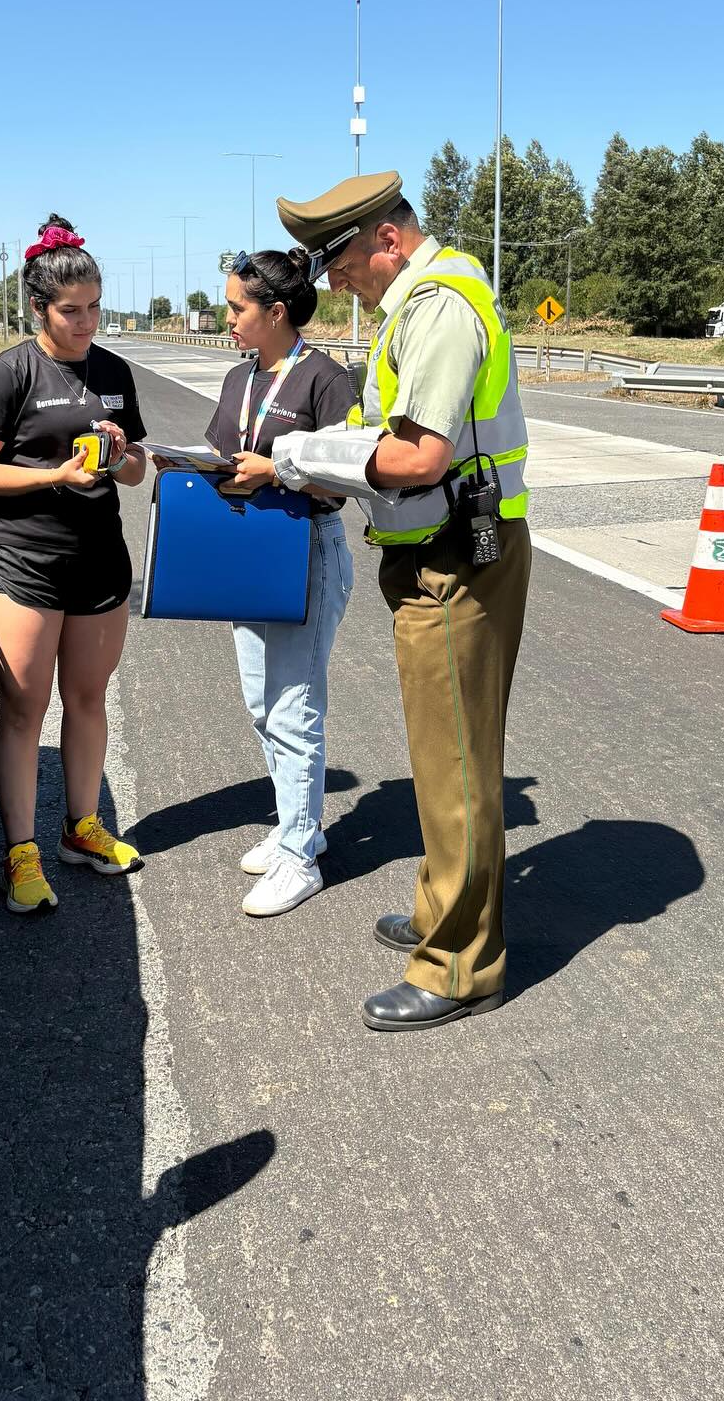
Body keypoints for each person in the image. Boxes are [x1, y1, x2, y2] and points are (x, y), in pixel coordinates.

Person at [260, 172, 532, 1032]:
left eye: (337, 259)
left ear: (385, 238)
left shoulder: (439, 307)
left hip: (457, 556)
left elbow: (416, 457)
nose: (330, 281)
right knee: (441, 754)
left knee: (456, 765)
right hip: (432, 549)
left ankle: (458, 963)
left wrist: (302, 458)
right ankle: (439, 906)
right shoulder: (413, 306)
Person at [0, 216, 149, 915]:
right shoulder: (9, 371)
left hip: (100, 562)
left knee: (89, 701)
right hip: (24, 563)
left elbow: (135, 473)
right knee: (24, 709)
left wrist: (123, 452)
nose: (87, 322)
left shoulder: (114, 371)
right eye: (72, 311)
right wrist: (53, 477)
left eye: (96, 306)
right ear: (40, 308)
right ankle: (20, 853)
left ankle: (82, 828)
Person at [201, 250, 357, 918]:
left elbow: (351, 480)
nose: (228, 318)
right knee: (263, 705)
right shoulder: (241, 379)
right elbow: (221, 455)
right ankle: (301, 824)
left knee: (295, 706)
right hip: (249, 553)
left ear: (277, 312)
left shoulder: (327, 380)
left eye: (238, 308)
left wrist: (280, 472)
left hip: (305, 552)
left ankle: (300, 857)